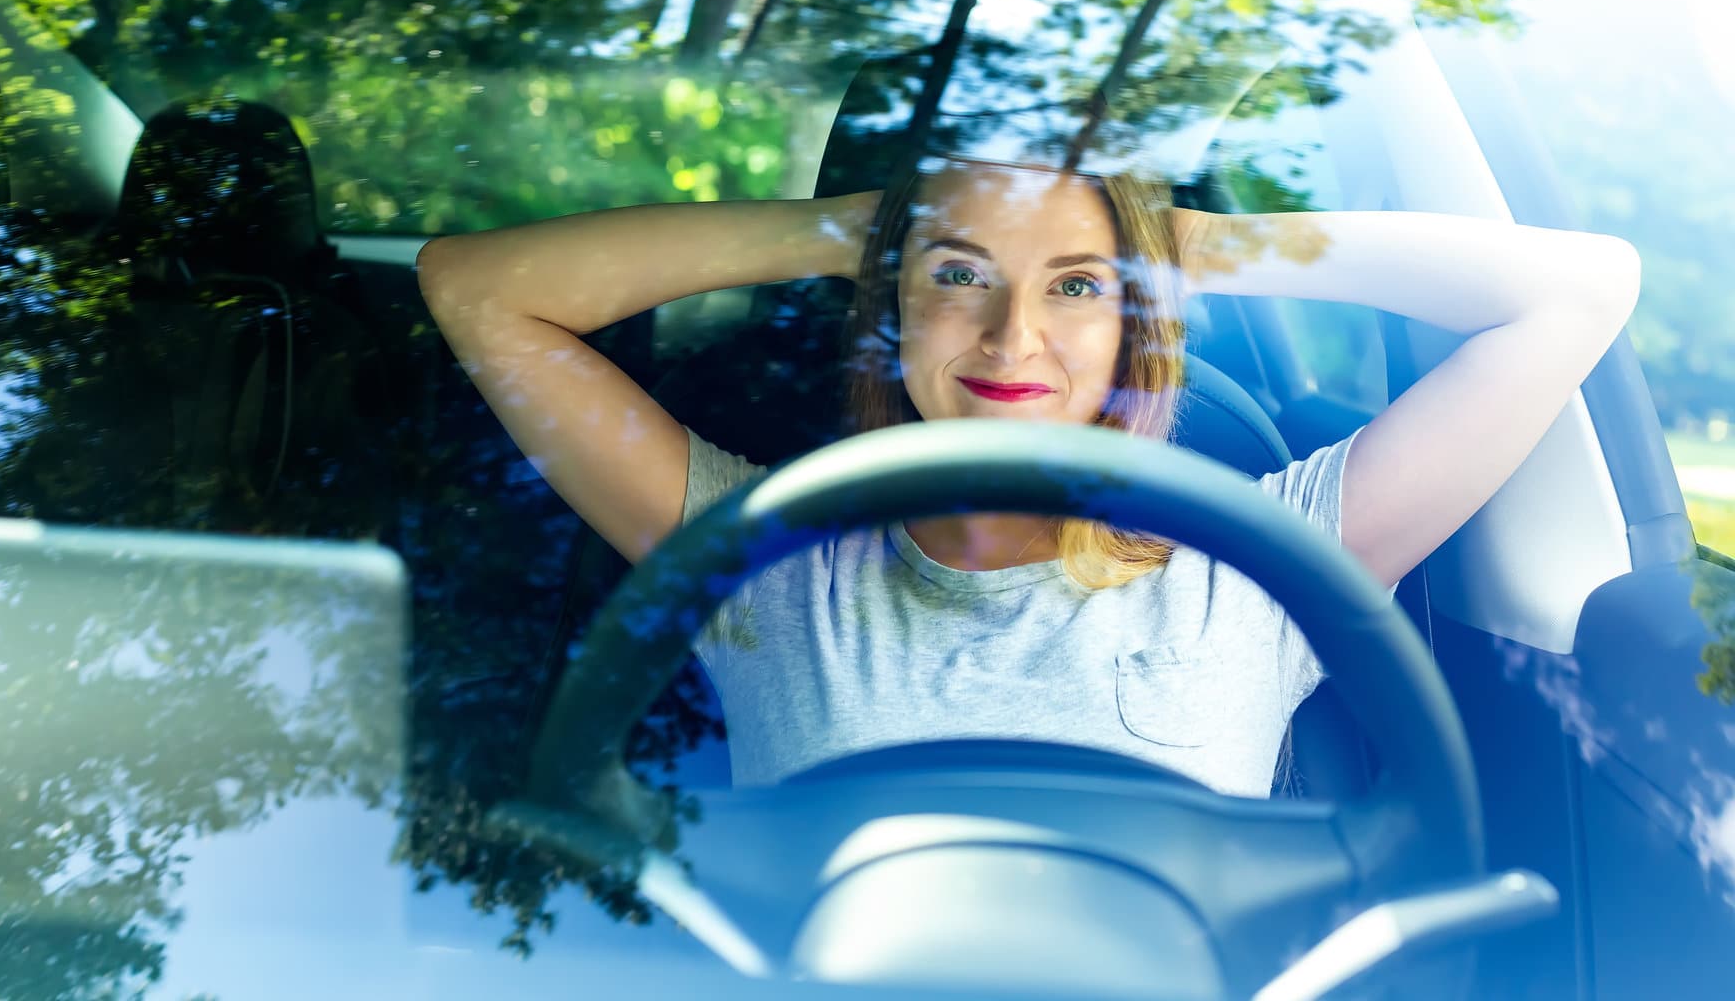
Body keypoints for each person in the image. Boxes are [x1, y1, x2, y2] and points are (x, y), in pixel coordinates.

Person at [416, 153, 1640, 799]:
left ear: (1134, 325)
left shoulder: (1269, 565)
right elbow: (475, 287)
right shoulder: (766, 560)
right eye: (956, 276)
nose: (1012, 340)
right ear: (888, 308)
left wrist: (1195, 244)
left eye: (1075, 286)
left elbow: (1580, 290)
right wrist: (853, 229)